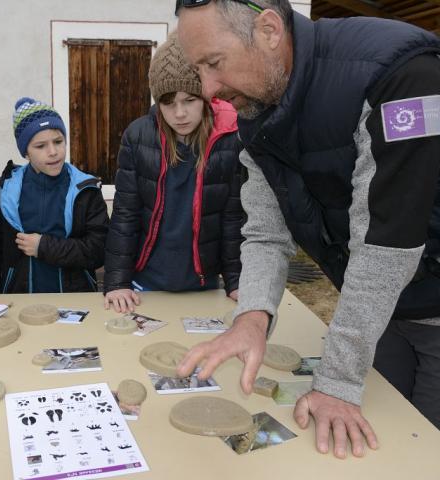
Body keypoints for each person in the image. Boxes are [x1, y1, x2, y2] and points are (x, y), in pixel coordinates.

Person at [175, 0, 440, 458]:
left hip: (423, 298)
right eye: (199, 68)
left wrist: (337, 378)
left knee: (419, 451)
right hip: (384, 312)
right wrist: (253, 316)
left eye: (214, 64)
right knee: (372, 443)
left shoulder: (401, 77)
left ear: (270, 30)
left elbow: (386, 244)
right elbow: (263, 232)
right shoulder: (258, 110)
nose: (209, 89)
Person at [103, 31, 245, 313]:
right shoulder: (138, 136)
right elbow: (125, 214)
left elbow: (233, 218)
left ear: (205, 96)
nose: (179, 113)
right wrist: (117, 281)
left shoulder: (230, 139)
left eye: (189, 100)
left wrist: (236, 280)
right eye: (168, 103)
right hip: (143, 283)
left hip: (203, 283)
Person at [0, 97, 108, 293]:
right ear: (25, 152)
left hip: (75, 302)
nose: (53, 152)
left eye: (58, 141)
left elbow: (99, 250)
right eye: (40, 146)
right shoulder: (5, 190)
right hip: (20, 301)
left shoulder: (85, 190)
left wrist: (43, 247)